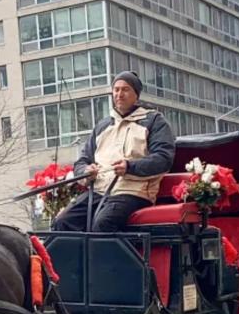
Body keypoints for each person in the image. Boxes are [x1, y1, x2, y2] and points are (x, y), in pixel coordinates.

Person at [52, 71, 176, 232]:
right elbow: (82, 161)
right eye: (116, 90)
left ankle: (102, 258)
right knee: (62, 221)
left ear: (136, 95)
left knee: (103, 224)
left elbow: (163, 159)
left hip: (133, 192)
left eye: (125, 89)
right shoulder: (103, 125)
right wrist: (86, 171)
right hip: (98, 191)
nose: (119, 94)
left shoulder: (154, 121)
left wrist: (129, 167)